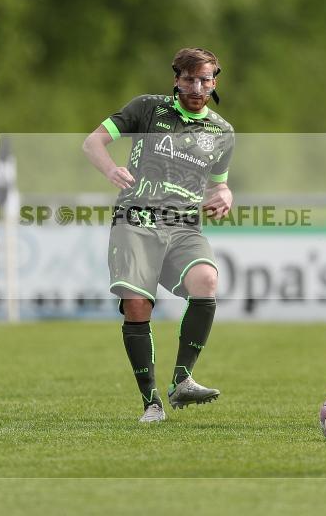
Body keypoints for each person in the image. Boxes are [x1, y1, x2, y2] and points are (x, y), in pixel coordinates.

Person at [82, 48, 234, 423]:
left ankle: (183, 379)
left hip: (183, 226)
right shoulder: (147, 109)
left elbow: (219, 186)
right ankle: (151, 402)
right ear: (177, 79)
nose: (197, 87)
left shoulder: (223, 132)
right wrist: (110, 170)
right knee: (137, 305)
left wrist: (226, 194)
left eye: (205, 79)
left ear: (215, 81)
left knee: (207, 281)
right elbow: (92, 142)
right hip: (136, 219)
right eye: (189, 79)